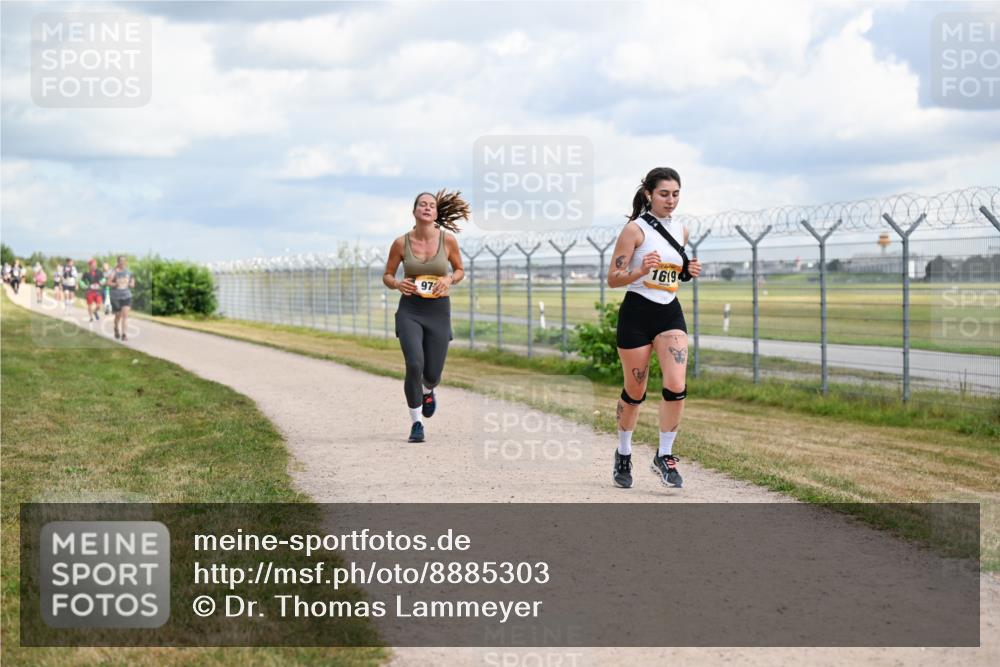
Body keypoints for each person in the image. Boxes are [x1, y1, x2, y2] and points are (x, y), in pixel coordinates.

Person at [606, 167, 702, 489]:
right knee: (636, 391)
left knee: (676, 384)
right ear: (648, 193)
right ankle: (623, 453)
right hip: (636, 314)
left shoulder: (682, 230)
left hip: (668, 313)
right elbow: (613, 279)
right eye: (664, 193)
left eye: (676, 194)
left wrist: (687, 270)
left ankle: (665, 455)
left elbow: (672, 273)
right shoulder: (634, 230)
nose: (671, 200)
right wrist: (638, 271)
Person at [381, 190, 467, 443]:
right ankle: (416, 423)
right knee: (414, 364)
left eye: (431, 205)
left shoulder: (448, 241)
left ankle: (429, 390)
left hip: (439, 311)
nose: (427, 208)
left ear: (436, 213)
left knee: (432, 373)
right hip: (411, 309)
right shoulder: (400, 243)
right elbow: (387, 275)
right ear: (415, 211)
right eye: (422, 204)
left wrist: (449, 278)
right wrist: (397, 284)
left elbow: (460, 269)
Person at [107, 255, 135, 341]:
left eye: (124, 261)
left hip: (126, 296)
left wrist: (130, 284)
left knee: (125, 316)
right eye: (120, 261)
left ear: (126, 262)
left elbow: (133, 284)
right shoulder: (114, 272)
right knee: (118, 316)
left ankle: (124, 334)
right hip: (116, 296)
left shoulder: (129, 272)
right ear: (118, 262)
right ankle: (116, 328)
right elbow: (108, 283)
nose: (122, 263)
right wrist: (115, 284)